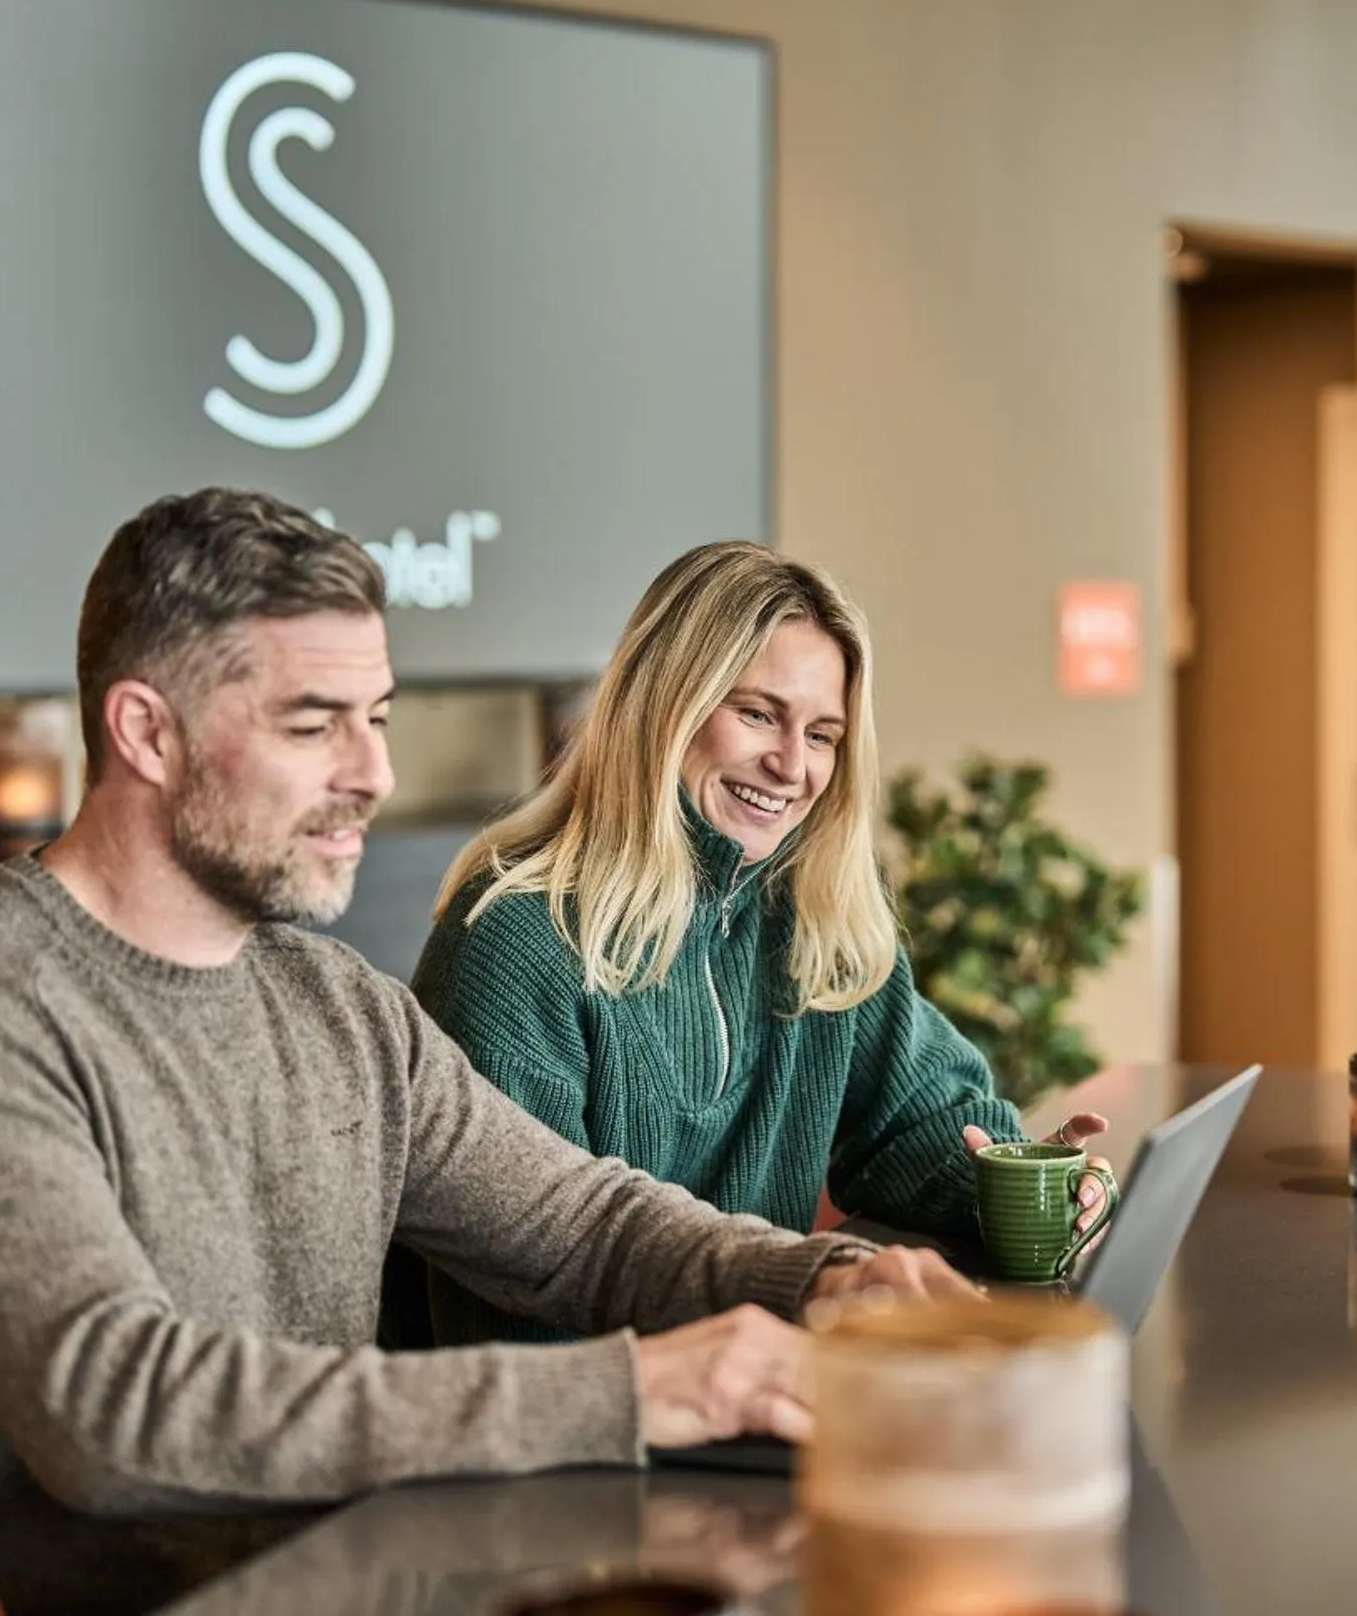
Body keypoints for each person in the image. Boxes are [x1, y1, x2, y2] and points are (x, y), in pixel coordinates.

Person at [0, 491, 968, 1616]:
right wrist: (643, 1388)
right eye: (313, 724)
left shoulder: (334, 1004)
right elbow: (120, 1413)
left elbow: (579, 1227)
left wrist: (818, 1280)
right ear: (146, 731)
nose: (373, 774)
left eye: (377, 719)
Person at [400, 541, 1107, 1346]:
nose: (791, 765)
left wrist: (1029, 1181)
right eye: (758, 713)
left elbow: (922, 1122)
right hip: (605, 1402)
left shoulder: (814, 918)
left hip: (756, 1374)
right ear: (664, 704)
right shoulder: (515, 940)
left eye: (823, 735)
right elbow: (522, 1288)